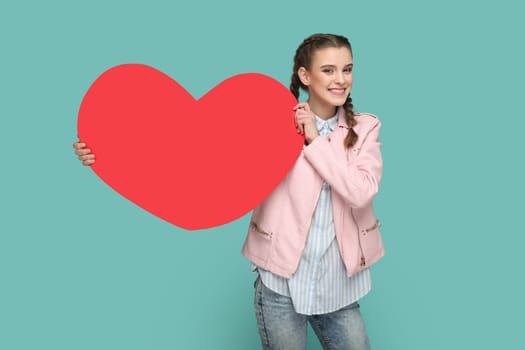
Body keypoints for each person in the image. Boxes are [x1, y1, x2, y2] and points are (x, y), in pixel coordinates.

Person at [73, 33, 384, 350]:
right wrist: (106, 148)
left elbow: (360, 193)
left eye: (347, 69)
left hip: (338, 288)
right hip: (280, 285)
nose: (341, 79)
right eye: (328, 70)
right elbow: (185, 154)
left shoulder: (365, 128)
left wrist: (315, 141)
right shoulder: (270, 121)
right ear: (305, 75)